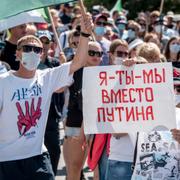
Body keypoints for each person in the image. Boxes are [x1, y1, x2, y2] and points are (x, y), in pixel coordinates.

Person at [0, 13, 93, 180]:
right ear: (18, 54)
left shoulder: (46, 77)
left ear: (42, 54)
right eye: (27, 49)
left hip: (38, 158)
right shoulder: (3, 82)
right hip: (7, 160)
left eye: (37, 50)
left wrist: (85, 34)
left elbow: (77, 63)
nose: (32, 52)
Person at [63, 41, 103, 180]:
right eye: (91, 53)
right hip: (76, 124)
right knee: (75, 169)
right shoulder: (74, 71)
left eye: (99, 54)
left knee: (98, 170)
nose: (96, 57)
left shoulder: (105, 74)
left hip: (99, 128)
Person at [37, 30, 65, 176]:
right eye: (40, 40)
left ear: (51, 45)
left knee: (54, 150)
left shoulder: (55, 63)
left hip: (51, 113)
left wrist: (63, 67)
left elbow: (62, 87)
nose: (43, 44)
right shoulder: (27, 64)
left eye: (46, 41)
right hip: (33, 114)